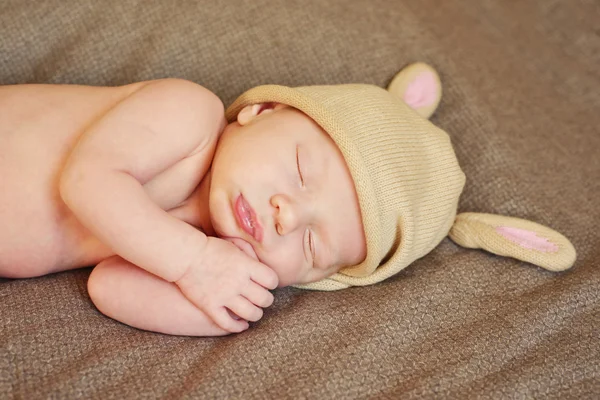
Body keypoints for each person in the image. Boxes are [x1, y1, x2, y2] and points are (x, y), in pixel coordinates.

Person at [0, 63, 576, 337]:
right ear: (261, 112)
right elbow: (87, 181)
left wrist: (230, 301)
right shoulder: (189, 115)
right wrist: (195, 264)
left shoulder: (201, 248)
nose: (287, 213)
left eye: (310, 242)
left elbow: (110, 287)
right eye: (302, 170)